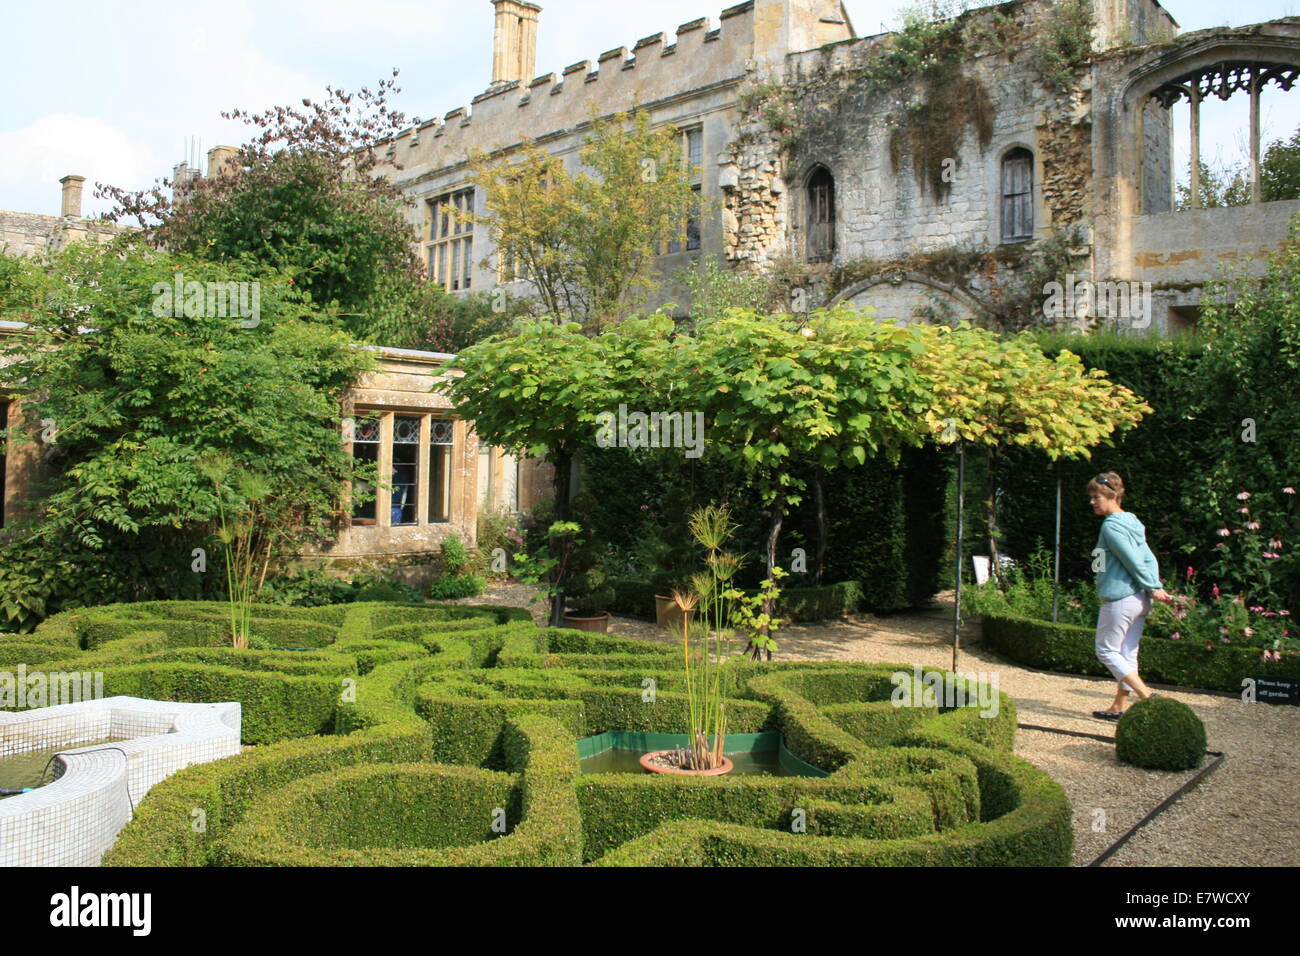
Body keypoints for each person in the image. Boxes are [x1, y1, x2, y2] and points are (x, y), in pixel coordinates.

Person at [1087, 472, 1171, 720]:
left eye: (1096, 497)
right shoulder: (1132, 522)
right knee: (1127, 654)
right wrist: (1153, 586)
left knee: (1106, 651)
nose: (1092, 502)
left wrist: (1153, 586)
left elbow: (1133, 560)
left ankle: (1146, 695)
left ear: (1111, 496)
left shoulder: (1111, 526)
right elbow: (1148, 557)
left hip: (1120, 598)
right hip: (1138, 599)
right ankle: (1118, 706)